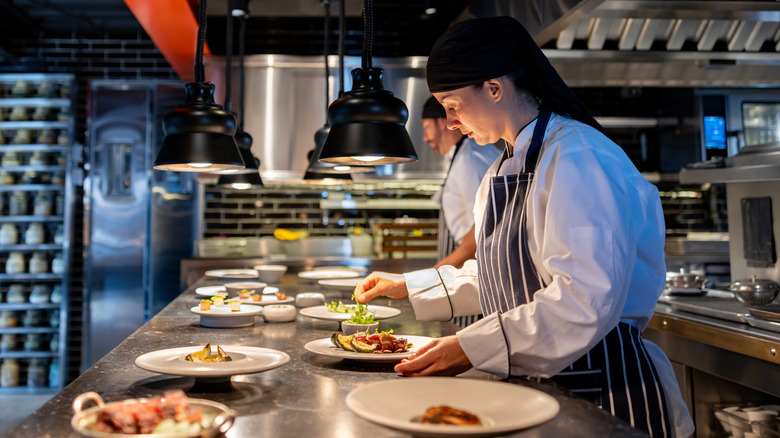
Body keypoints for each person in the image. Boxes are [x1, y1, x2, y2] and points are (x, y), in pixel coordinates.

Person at [355, 16, 694, 438]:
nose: (451, 124)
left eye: (453, 106)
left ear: (494, 88)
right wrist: (412, 285)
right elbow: (508, 277)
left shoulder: (578, 156)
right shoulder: (502, 168)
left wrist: (471, 347)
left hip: (607, 393)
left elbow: (584, 299)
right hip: (539, 387)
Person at [422, 96, 502, 327]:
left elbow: (482, 232)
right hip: (463, 270)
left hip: (474, 273)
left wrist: (431, 277)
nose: (425, 138)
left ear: (441, 122)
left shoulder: (471, 160)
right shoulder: (459, 157)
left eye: (426, 128)